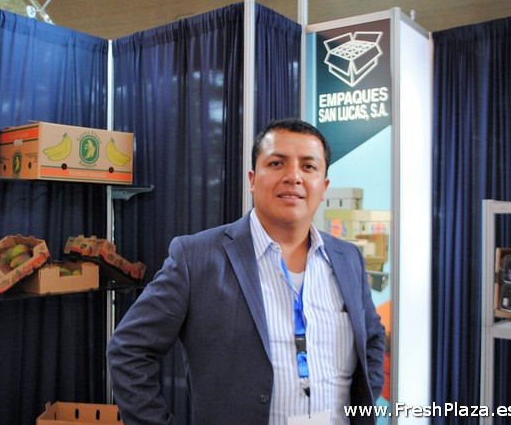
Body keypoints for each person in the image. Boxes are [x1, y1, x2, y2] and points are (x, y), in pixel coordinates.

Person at [106, 118, 386, 424]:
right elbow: (128, 350)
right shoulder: (196, 258)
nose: (293, 176)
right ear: (253, 179)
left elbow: (371, 342)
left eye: (308, 166)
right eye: (277, 163)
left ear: (324, 187)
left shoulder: (348, 258)